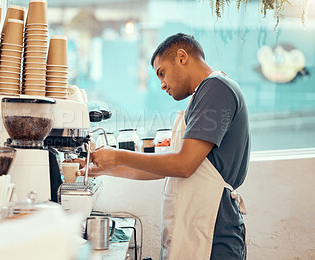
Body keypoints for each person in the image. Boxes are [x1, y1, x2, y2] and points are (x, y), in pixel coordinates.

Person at [78, 33, 250, 260]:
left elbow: (183, 165)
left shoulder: (216, 89)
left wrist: (118, 156)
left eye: (162, 73)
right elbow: (167, 168)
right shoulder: (201, 96)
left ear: (181, 57)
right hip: (200, 222)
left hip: (214, 231)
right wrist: (105, 168)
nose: (162, 84)